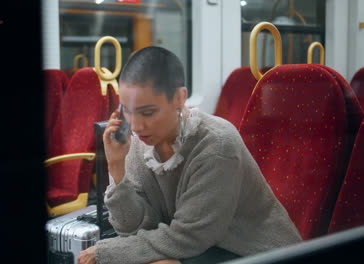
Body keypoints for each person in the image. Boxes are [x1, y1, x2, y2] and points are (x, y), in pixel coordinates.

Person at [78, 47, 302, 264]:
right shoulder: (138, 142)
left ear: (179, 98)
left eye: (147, 112)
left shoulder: (217, 145)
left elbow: (189, 237)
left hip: (256, 251)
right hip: (202, 248)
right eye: (127, 110)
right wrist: (117, 169)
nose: (135, 125)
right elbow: (132, 227)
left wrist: (107, 253)